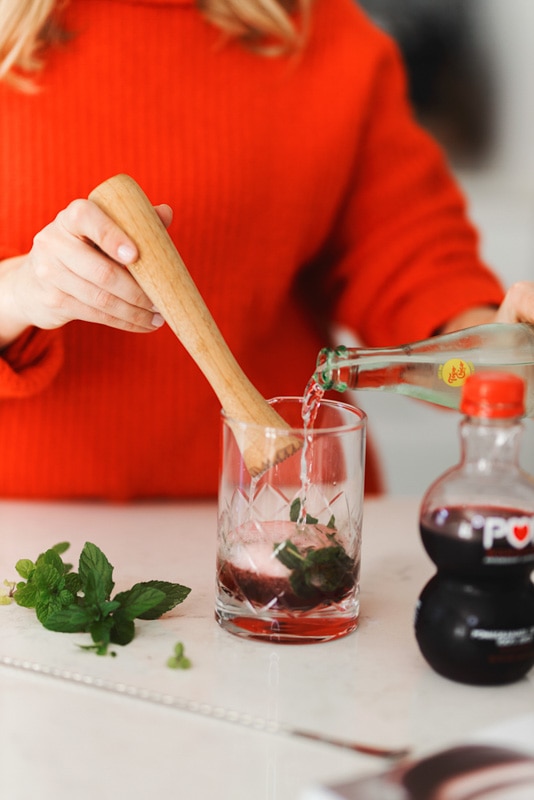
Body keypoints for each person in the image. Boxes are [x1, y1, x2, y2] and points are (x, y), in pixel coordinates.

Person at [0, 0, 532, 501]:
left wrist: (494, 349)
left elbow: (414, 260)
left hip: (290, 509)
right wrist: (19, 292)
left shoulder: (321, 33)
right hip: (26, 547)